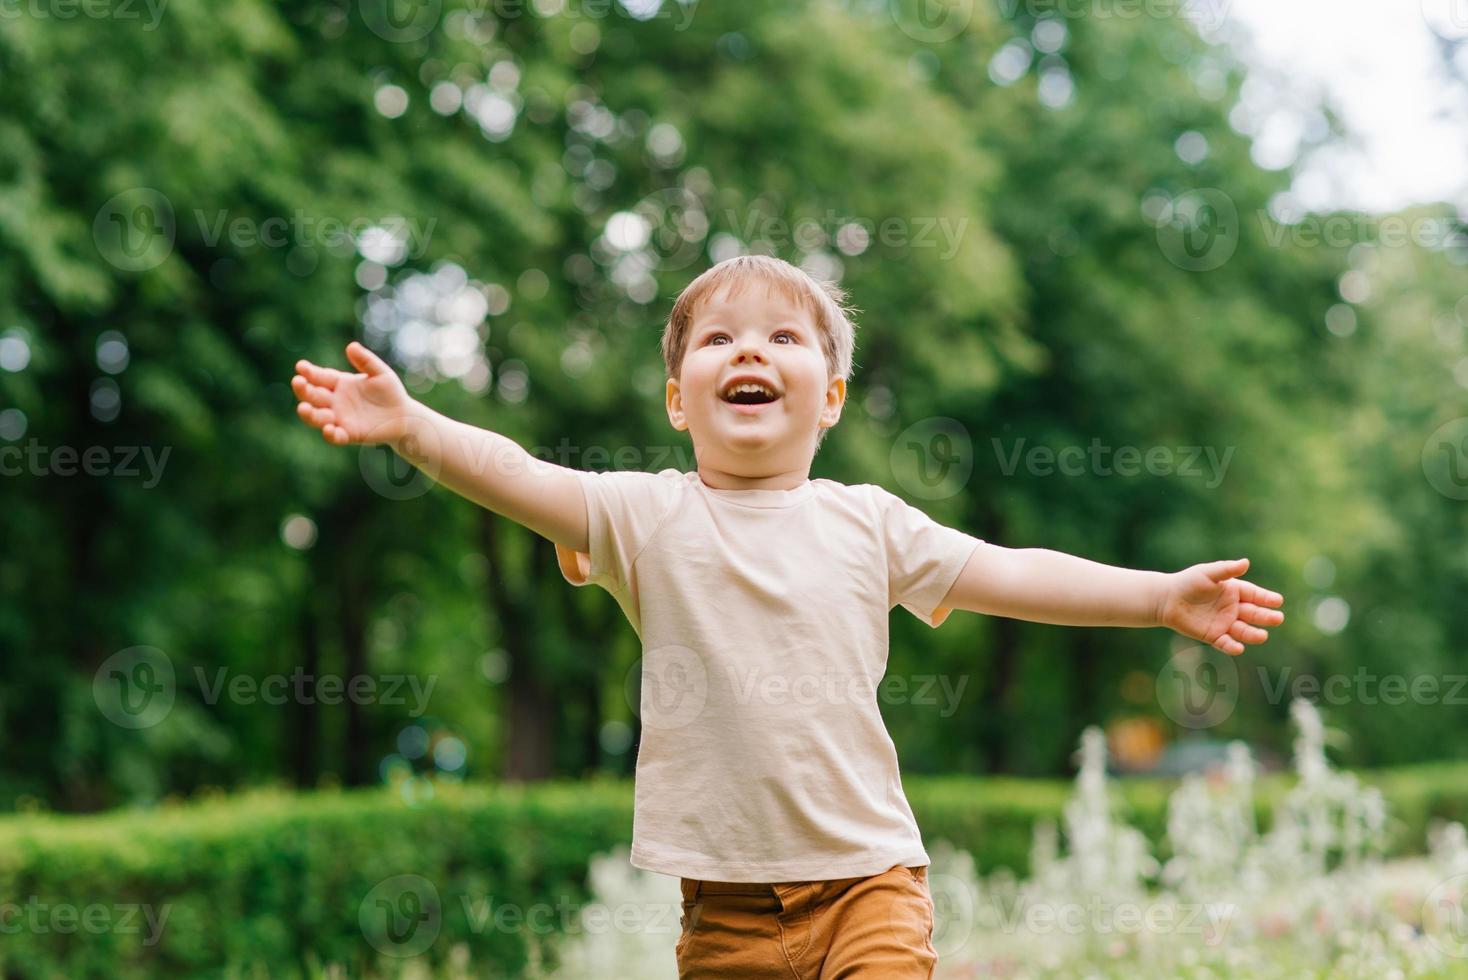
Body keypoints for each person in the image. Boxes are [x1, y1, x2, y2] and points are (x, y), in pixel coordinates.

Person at [291, 254, 1284, 978]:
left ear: (832, 395)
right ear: (679, 399)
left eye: (780, 336)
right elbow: (517, 474)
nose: (746, 350)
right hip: (724, 911)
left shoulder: (869, 522)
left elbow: (1012, 571)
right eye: (717, 339)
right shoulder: (646, 514)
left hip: (867, 881)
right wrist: (413, 426)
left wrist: (1157, 594)